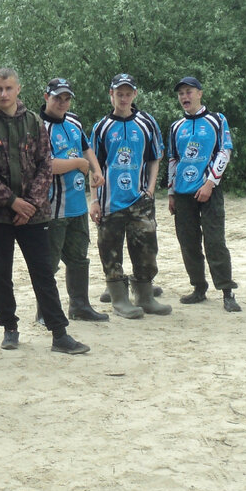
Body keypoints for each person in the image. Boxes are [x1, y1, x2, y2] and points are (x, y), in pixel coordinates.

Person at [0, 68, 90, 354]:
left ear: (18, 89)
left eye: (9, 88)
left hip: (35, 212)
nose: (4, 94)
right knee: (1, 273)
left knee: (43, 271)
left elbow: (45, 164)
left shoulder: (34, 122)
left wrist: (30, 203)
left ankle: (59, 333)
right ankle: (9, 327)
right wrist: (13, 202)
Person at [89, 73, 170, 319]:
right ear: (111, 95)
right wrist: (94, 200)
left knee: (146, 249)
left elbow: (156, 157)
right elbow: (93, 166)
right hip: (110, 201)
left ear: (134, 95)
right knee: (110, 251)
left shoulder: (147, 123)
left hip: (140, 200)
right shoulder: (101, 127)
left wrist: (151, 189)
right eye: (118, 94)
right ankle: (119, 299)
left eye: (127, 94)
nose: (123, 98)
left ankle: (145, 296)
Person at [166, 76, 242, 313]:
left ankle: (227, 291)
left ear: (199, 93)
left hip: (210, 190)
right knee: (188, 243)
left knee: (215, 241)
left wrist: (210, 183)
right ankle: (198, 287)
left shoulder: (217, 120)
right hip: (183, 193)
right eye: (181, 94)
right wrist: (171, 193)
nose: (184, 97)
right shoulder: (175, 126)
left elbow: (225, 151)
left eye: (189, 92)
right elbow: (173, 159)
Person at [40, 77, 108, 322]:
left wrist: (95, 169)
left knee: (79, 258)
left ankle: (80, 306)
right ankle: (45, 310)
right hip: (53, 207)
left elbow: (86, 148)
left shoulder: (74, 121)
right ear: (47, 97)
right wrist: (78, 164)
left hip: (78, 205)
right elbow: (44, 165)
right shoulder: (38, 126)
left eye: (67, 98)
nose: (62, 102)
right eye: (58, 97)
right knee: (49, 263)